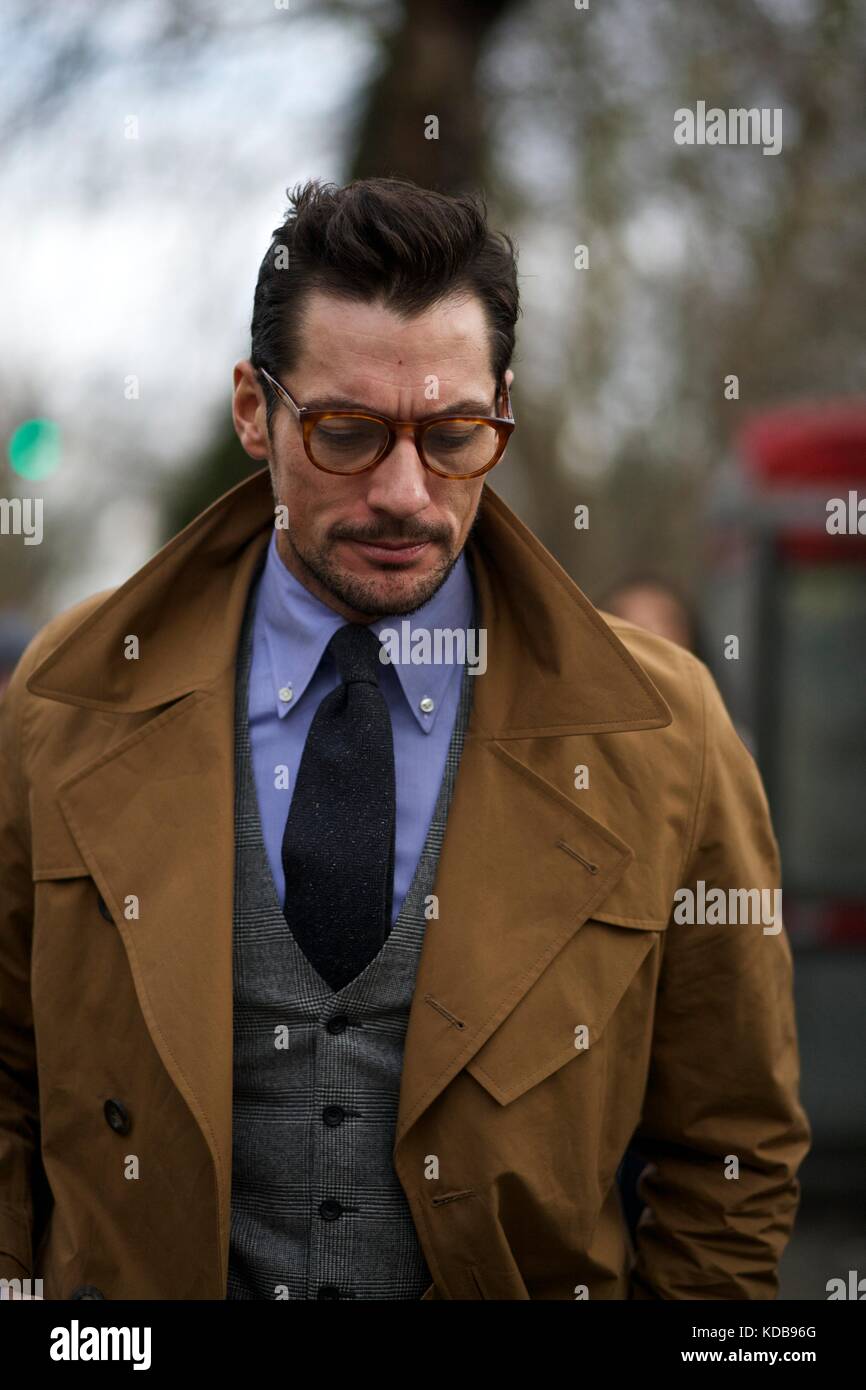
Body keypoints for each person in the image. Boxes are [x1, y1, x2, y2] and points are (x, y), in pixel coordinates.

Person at [0, 177, 809, 1301]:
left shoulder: (663, 731)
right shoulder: (64, 700)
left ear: (501, 412)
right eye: (345, 433)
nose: (403, 492)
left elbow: (732, 1146)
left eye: (453, 435)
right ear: (252, 409)